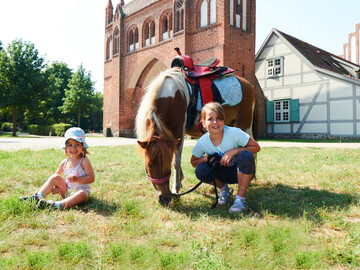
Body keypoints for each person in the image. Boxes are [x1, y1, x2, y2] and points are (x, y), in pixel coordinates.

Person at [190, 102, 260, 212]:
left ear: (224, 121)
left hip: (241, 171)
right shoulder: (202, 142)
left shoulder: (234, 132)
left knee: (245, 155)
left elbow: (256, 147)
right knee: (200, 170)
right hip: (221, 173)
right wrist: (206, 158)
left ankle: (240, 199)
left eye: (219, 118)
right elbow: (193, 162)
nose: (215, 122)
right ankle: (224, 189)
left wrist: (235, 151)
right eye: (210, 119)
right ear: (203, 123)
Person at [21, 127, 95, 209]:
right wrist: (57, 187)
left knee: (82, 194)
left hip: (79, 192)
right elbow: (56, 178)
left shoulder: (84, 160)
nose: (73, 148)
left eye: (77, 144)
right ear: (66, 147)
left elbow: (91, 178)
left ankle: (55, 205)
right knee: (54, 177)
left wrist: (77, 179)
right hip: (66, 191)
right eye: (70, 145)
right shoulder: (65, 162)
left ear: (82, 146)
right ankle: (37, 197)